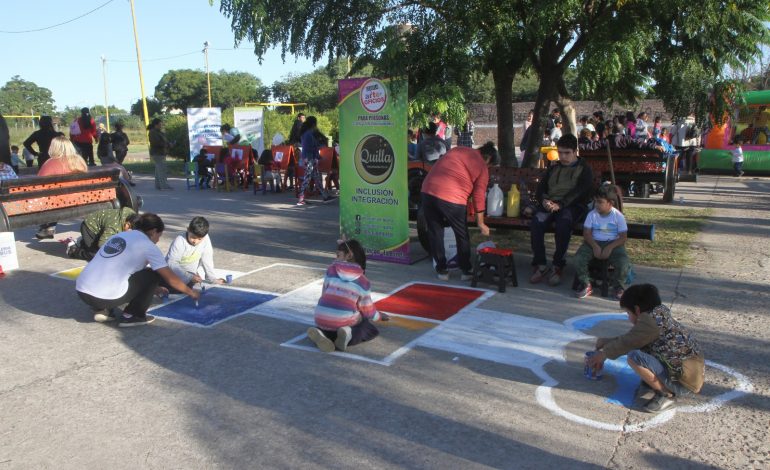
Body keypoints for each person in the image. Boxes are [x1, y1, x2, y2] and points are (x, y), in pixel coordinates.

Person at [587, 284, 705, 413]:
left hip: (684, 382)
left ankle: (666, 395)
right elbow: (632, 338)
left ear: (637, 310)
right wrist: (606, 342)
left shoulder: (648, 324)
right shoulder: (658, 314)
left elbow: (627, 343)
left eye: (628, 312)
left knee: (634, 356)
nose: (628, 317)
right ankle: (657, 383)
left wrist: (603, 355)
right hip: (689, 374)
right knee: (642, 347)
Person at [75, 213, 200, 327]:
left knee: (132, 273)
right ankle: (132, 316)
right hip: (102, 296)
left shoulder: (120, 235)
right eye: (159, 236)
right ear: (153, 231)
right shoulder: (148, 246)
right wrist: (190, 292)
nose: (158, 240)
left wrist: (153, 289)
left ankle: (102, 309)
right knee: (152, 275)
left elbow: (127, 270)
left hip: (82, 290)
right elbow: (170, 278)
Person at [421, 142, 500, 281]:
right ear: (488, 159)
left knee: (435, 232)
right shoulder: (482, 166)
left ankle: (442, 270)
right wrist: (481, 223)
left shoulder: (458, 150)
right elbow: (479, 196)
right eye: (490, 165)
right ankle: (465, 270)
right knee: (461, 234)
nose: (489, 168)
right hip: (452, 198)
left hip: (428, 191)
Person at [529, 134, 594, 286]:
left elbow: (581, 192)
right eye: (560, 152)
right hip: (550, 204)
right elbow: (541, 189)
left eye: (567, 153)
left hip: (572, 206)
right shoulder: (553, 168)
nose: (563, 156)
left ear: (575, 151)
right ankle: (540, 264)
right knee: (537, 222)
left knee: (564, 224)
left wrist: (561, 204)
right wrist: (544, 200)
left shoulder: (584, 168)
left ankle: (558, 265)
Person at [306, 239, 389, 352]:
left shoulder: (331, 270)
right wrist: (379, 316)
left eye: (338, 255)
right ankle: (349, 334)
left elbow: (323, 294)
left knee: (329, 325)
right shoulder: (363, 281)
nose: (335, 258)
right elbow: (368, 310)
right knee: (366, 326)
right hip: (343, 321)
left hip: (321, 317)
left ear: (349, 255)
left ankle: (322, 333)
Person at [573, 185, 630, 300]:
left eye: (600, 202)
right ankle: (586, 283)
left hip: (613, 243)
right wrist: (595, 246)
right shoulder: (592, 214)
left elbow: (623, 237)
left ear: (610, 203)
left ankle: (618, 286)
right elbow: (587, 233)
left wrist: (609, 248)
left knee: (623, 263)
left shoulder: (618, 216)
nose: (596, 205)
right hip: (593, 242)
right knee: (578, 258)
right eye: (595, 202)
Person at [35, 136, 89, 239]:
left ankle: (48, 227)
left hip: (59, 202)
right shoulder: (79, 160)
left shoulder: (51, 163)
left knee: (49, 196)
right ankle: (48, 228)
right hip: (83, 198)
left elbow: (39, 183)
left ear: (53, 148)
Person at [165, 216, 225, 289]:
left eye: (199, 239)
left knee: (192, 285)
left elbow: (207, 259)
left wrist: (212, 279)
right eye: (193, 237)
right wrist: (189, 277)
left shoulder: (205, 238)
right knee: (179, 288)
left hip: (190, 273)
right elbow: (171, 263)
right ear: (188, 230)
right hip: (173, 273)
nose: (195, 241)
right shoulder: (180, 241)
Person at [67, 207, 138, 261]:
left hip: (101, 228)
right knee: (96, 255)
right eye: (131, 232)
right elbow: (102, 244)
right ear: (127, 224)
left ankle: (84, 243)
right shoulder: (114, 227)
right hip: (89, 227)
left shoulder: (131, 216)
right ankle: (74, 251)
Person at [297, 116, 328, 205]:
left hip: (307, 158)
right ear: (314, 124)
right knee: (307, 178)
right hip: (309, 159)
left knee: (316, 177)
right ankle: (301, 198)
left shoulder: (305, 133)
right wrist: (318, 155)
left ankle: (325, 196)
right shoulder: (309, 134)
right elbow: (312, 147)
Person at [148, 118, 173, 190]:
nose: (161, 126)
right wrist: (167, 145)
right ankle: (163, 186)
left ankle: (158, 185)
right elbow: (156, 143)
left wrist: (169, 144)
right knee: (162, 170)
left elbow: (163, 141)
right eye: (159, 124)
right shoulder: (153, 132)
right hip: (157, 153)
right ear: (155, 125)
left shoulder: (158, 132)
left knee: (158, 170)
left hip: (161, 152)